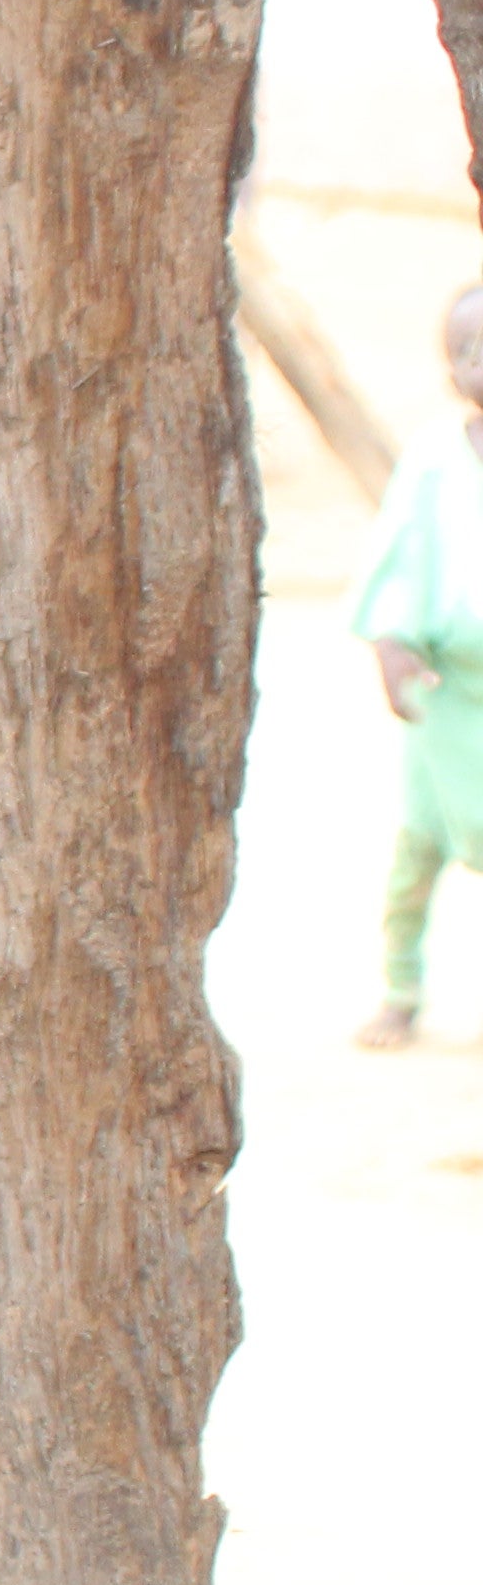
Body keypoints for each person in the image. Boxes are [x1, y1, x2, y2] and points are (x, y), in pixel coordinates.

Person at [353, 283, 483, 1048]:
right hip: (448, 697)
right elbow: (398, 555)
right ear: (451, 370)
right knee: (417, 850)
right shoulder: (433, 461)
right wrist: (392, 647)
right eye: (471, 353)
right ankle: (400, 987)